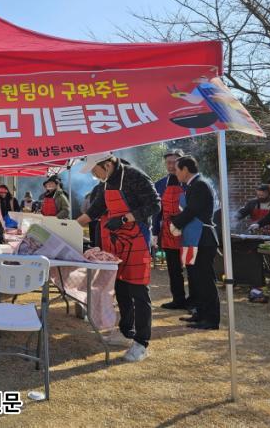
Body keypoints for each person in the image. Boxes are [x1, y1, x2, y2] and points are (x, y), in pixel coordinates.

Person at [76, 153, 161, 363]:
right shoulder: (106, 183)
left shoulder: (134, 176)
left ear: (107, 165)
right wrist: (68, 226)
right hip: (116, 242)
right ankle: (126, 332)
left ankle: (141, 343)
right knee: (121, 287)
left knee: (138, 291)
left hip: (137, 238)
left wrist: (125, 218)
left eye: (95, 171)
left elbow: (154, 205)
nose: (95, 176)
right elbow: (95, 210)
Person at [170, 156, 220, 330]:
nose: (175, 173)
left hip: (203, 238)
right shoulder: (193, 185)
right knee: (195, 278)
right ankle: (200, 313)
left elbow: (192, 210)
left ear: (185, 170)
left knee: (205, 280)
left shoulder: (200, 184)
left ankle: (211, 319)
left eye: (177, 170)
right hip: (193, 238)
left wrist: (175, 223)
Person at [152, 149, 190, 310]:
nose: (171, 166)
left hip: (188, 231)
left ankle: (195, 302)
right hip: (168, 232)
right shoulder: (160, 184)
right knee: (173, 269)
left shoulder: (190, 182)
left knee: (193, 268)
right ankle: (178, 299)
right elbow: (157, 210)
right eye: (168, 162)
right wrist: (154, 232)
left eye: (175, 162)